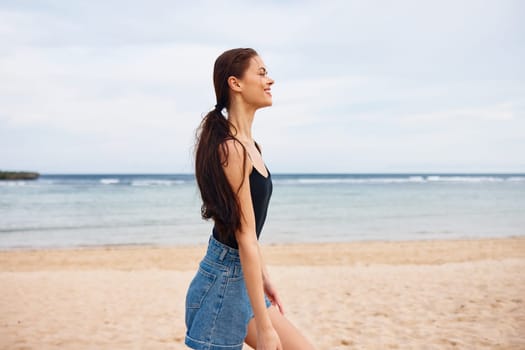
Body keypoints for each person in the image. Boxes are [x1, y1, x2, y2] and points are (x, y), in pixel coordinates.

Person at [185, 48, 315, 350]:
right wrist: (266, 326)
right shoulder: (231, 149)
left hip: (243, 276)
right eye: (261, 73)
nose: (270, 80)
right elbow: (243, 237)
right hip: (221, 287)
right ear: (236, 83)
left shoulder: (251, 145)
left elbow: (250, 231)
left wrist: (264, 276)